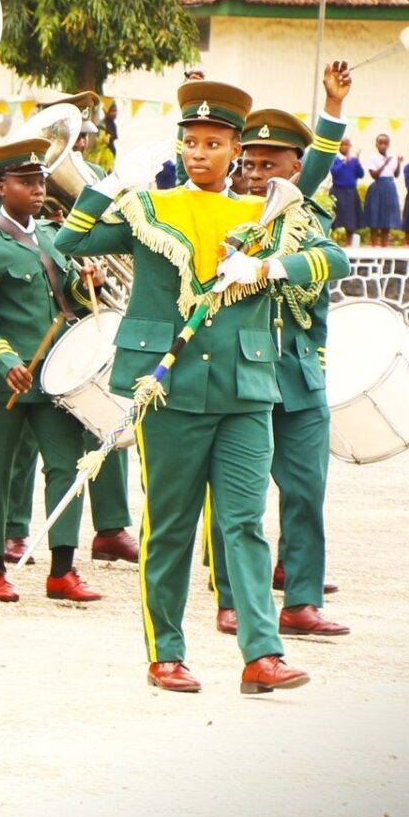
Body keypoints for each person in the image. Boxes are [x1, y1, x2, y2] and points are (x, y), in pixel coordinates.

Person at [56, 78, 343, 695]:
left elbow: (330, 257)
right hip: (170, 388)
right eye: (190, 142)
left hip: (246, 390)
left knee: (243, 523)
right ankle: (167, 654)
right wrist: (110, 181)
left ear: (234, 149)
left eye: (213, 143)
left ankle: (262, 655)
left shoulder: (261, 215)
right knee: (171, 526)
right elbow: (69, 240)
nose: (199, 153)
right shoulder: (151, 209)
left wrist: (269, 265)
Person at [207, 82, 352, 641]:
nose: (257, 172)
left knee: (306, 491)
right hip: (245, 375)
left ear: (295, 166)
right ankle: (232, 599)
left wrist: (332, 112)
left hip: (300, 375)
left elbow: (331, 260)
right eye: (250, 161)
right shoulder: (229, 216)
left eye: (272, 162)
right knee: (235, 495)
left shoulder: (305, 217)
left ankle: (302, 602)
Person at [0, 135, 106, 602]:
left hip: (54, 378)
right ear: (0, 186)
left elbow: (71, 304)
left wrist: (90, 285)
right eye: (26, 181)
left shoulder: (50, 235)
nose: (39, 189)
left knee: (67, 468)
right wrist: (6, 361)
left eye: (40, 180)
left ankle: (62, 571)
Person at [360, 134, 401, 247]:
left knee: (387, 216)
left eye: (385, 143)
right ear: (376, 144)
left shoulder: (392, 157)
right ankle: (374, 243)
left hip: (390, 186)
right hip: (378, 186)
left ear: (388, 144)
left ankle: (384, 244)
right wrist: (385, 163)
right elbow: (374, 175)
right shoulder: (372, 157)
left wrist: (399, 163)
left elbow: (396, 174)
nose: (383, 145)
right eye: (380, 143)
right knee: (375, 214)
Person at [327, 137, 364, 245]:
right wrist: (344, 162)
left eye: (347, 145)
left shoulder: (353, 160)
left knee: (350, 219)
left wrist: (357, 162)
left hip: (351, 192)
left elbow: (361, 174)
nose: (345, 147)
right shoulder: (335, 159)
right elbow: (334, 172)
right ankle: (333, 243)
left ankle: (349, 243)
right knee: (335, 218)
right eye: (343, 144)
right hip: (338, 191)